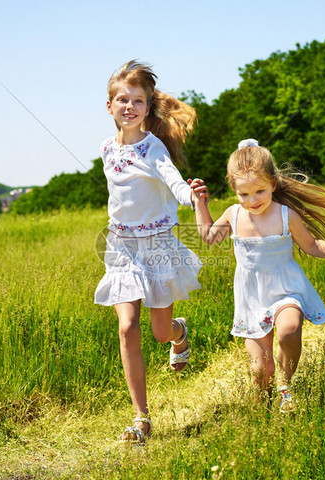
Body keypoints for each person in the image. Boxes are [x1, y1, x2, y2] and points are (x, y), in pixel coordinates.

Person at [189, 139, 325, 412]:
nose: (253, 200)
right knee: (261, 371)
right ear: (234, 190)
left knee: (289, 330)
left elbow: (312, 245)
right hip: (251, 297)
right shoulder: (234, 215)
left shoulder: (286, 215)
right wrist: (200, 203)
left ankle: (286, 385)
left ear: (273, 184)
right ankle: (265, 406)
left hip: (286, 289)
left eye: (259, 191)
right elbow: (209, 237)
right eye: (244, 194)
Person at [94, 60, 202, 442]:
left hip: (157, 246)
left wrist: (193, 195)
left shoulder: (153, 146)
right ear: (109, 106)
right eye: (122, 99)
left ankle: (179, 333)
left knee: (158, 333)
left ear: (147, 106)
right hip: (121, 247)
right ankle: (141, 418)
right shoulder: (107, 148)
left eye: (137, 100)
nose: (129, 106)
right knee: (127, 328)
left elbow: (173, 181)